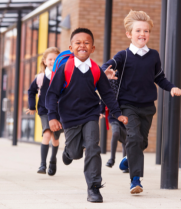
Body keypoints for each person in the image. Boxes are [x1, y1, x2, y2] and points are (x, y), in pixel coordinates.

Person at [102, 10, 181, 194]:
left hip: (147, 106)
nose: (142, 34)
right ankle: (135, 180)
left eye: (146, 31)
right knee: (135, 138)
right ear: (129, 34)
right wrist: (106, 71)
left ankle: (129, 160)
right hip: (127, 105)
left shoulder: (154, 55)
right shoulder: (123, 56)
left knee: (142, 142)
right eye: (138, 31)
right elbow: (106, 65)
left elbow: (159, 78)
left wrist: (171, 88)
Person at [46, 28, 128, 203]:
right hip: (69, 116)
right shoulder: (64, 68)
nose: (82, 45)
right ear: (71, 47)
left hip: (91, 114)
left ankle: (94, 188)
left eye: (86, 43)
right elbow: (52, 94)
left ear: (93, 48)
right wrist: (52, 117)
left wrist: (117, 113)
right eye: (78, 42)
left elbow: (106, 94)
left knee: (92, 146)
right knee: (76, 153)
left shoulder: (96, 70)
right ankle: (68, 152)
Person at [26, 47, 62, 176]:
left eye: (55, 59)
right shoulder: (40, 78)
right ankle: (42, 164)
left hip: (59, 111)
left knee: (55, 138)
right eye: (50, 59)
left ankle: (53, 160)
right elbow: (31, 91)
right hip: (44, 110)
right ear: (45, 61)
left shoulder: (62, 75)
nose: (53, 61)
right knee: (47, 133)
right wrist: (32, 106)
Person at [100, 77, 128, 173]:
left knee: (126, 139)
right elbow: (104, 96)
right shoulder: (109, 81)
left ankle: (126, 163)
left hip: (126, 113)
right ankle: (112, 159)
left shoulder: (126, 78)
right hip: (113, 113)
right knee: (115, 133)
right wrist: (101, 110)